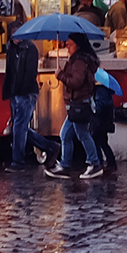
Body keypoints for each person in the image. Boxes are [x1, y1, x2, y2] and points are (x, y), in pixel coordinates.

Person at [48, 34, 105, 179]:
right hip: (76, 104)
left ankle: (94, 164)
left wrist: (61, 75)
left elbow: (76, 82)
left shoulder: (79, 61)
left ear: (78, 46)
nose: (67, 45)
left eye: (71, 44)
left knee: (82, 134)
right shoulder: (78, 60)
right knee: (65, 134)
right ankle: (65, 165)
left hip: (79, 103)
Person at [3, 34, 58, 172]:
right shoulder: (16, 47)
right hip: (17, 92)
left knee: (19, 127)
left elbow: (28, 73)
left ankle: (18, 161)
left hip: (25, 93)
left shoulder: (29, 48)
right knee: (19, 127)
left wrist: (17, 90)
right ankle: (50, 146)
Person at [89, 69, 118, 169]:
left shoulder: (100, 91)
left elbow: (98, 106)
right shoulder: (104, 90)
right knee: (102, 142)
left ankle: (101, 162)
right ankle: (110, 162)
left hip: (99, 121)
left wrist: (92, 107)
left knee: (97, 141)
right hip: (104, 121)